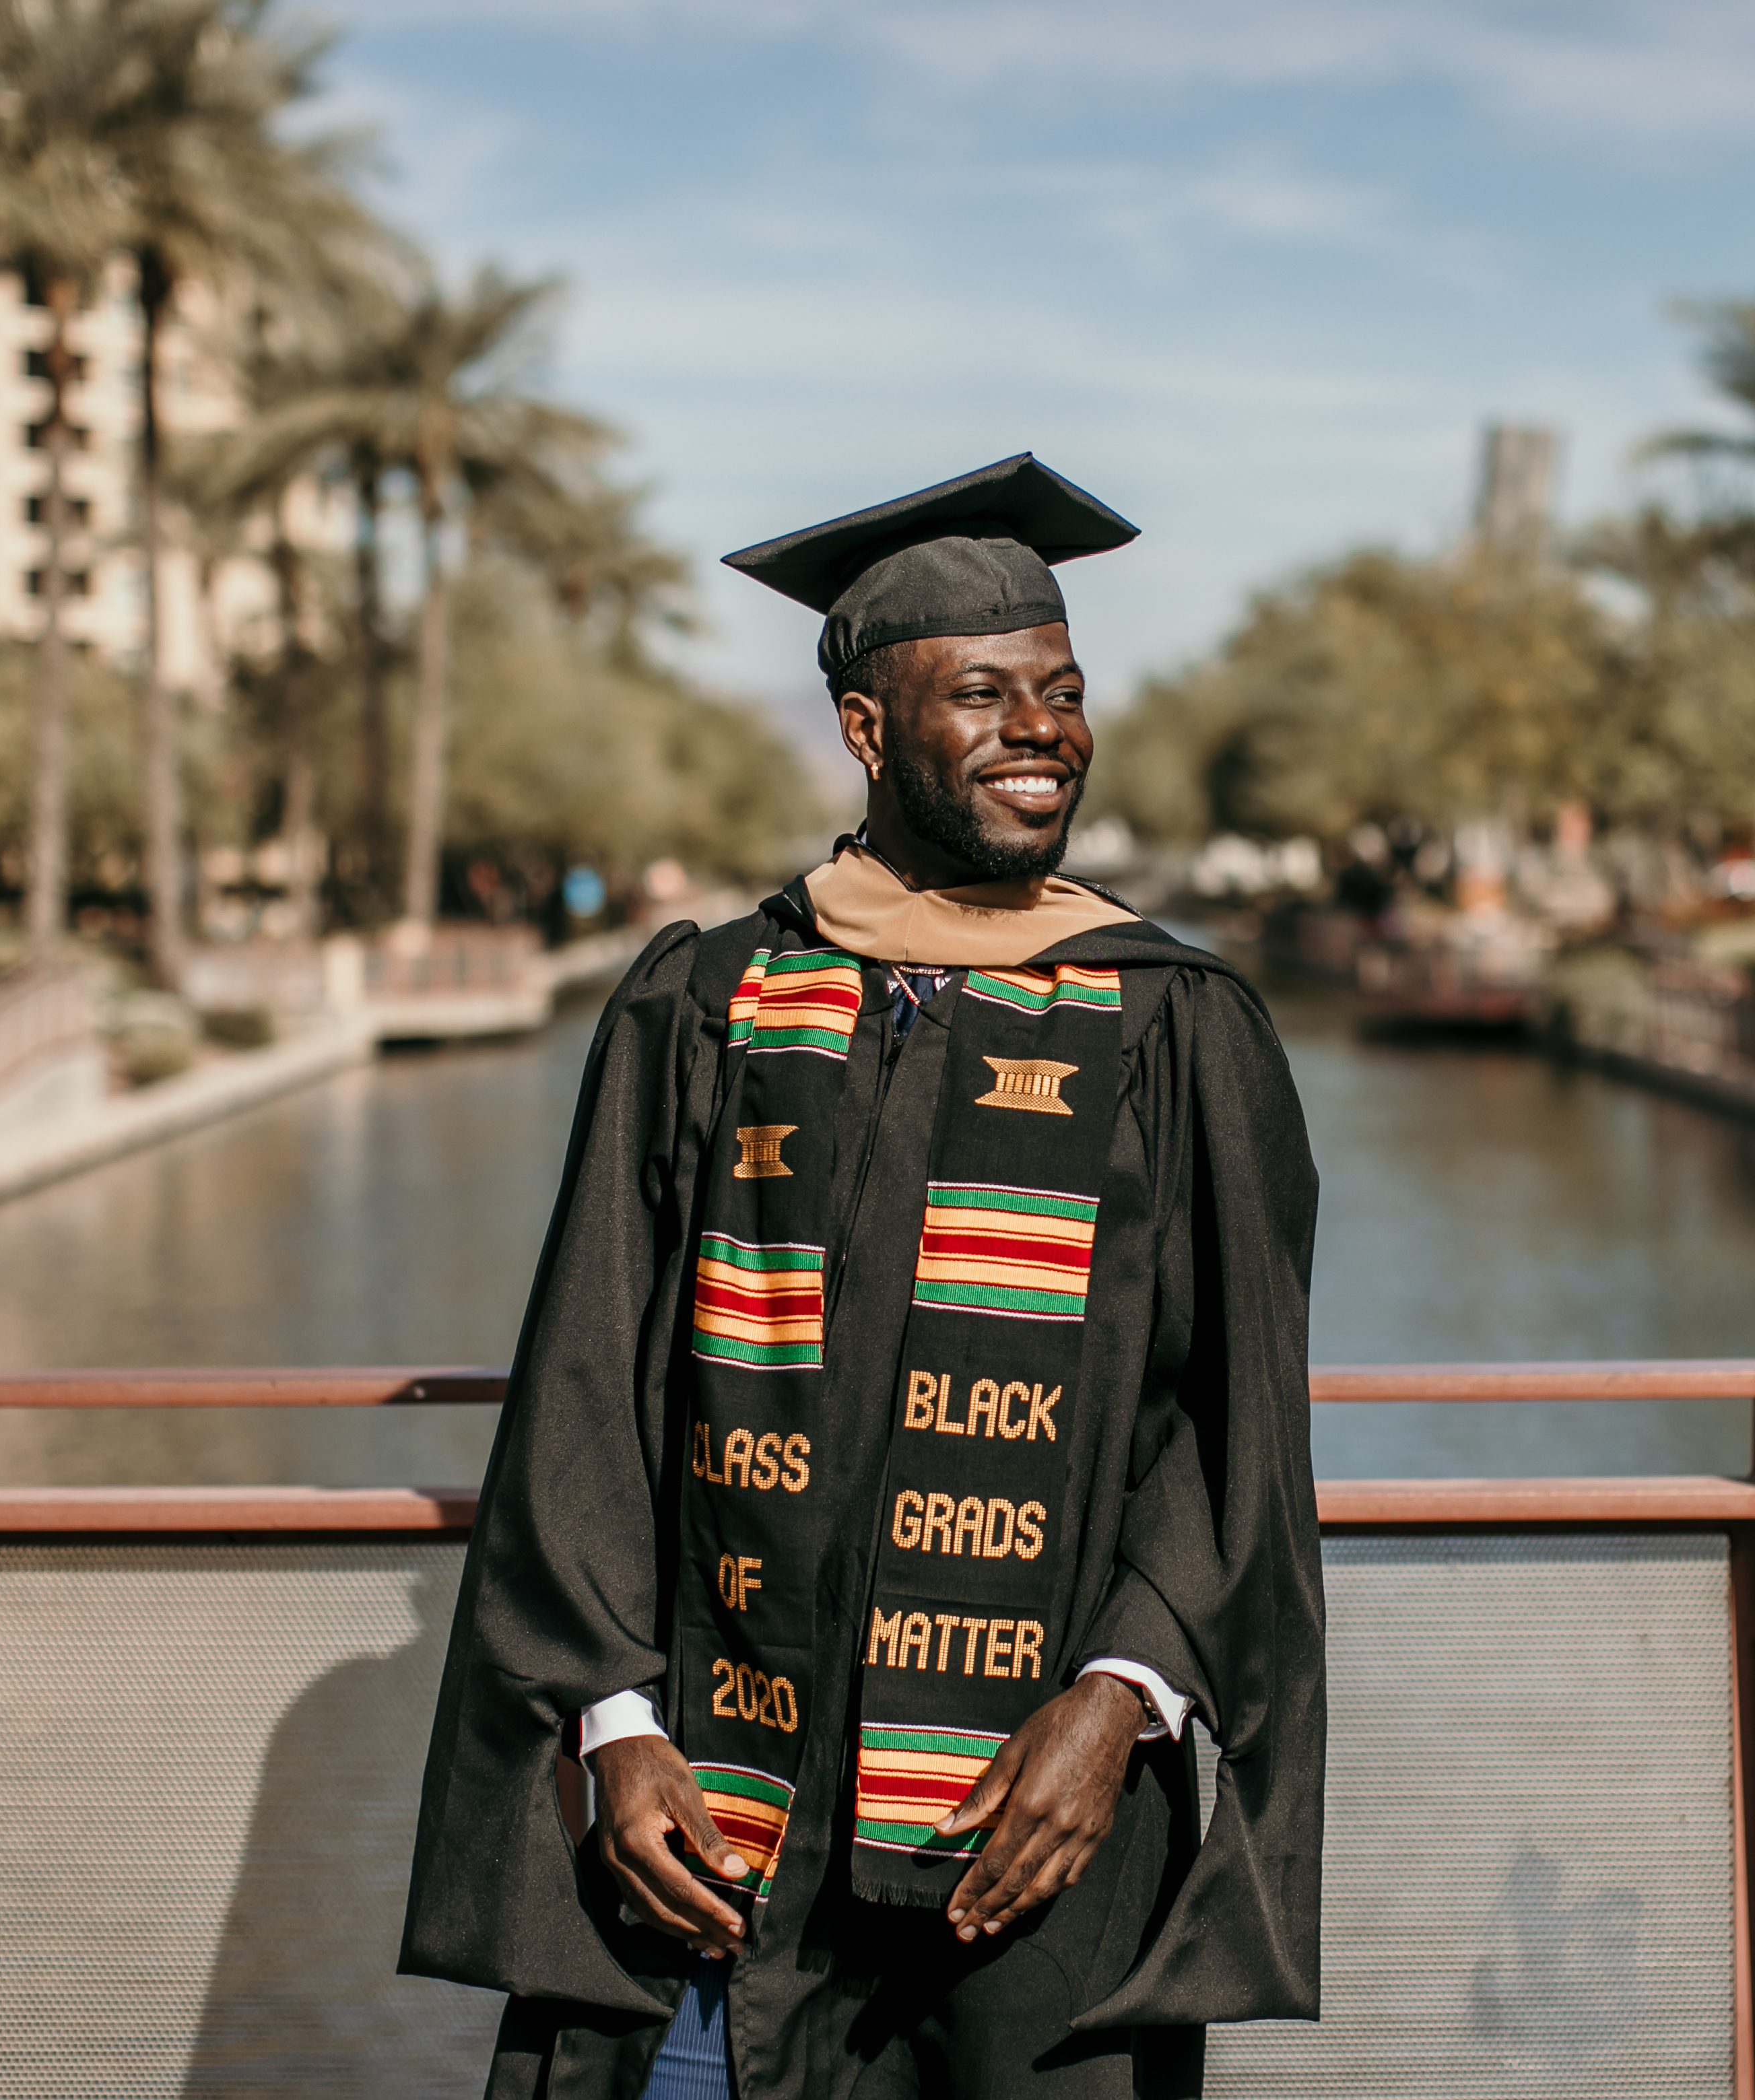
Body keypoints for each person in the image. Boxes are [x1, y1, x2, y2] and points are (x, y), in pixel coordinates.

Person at [402, 454, 1325, 2099]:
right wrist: (612, 1725)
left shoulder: (1170, 1024)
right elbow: (587, 1382)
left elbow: (1233, 1414)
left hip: (1030, 1826)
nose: (1042, 728)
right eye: (983, 693)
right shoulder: (708, 1001)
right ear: (868, 729)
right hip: (715, 1811)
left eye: (1063, 690)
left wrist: (1122, 1703)